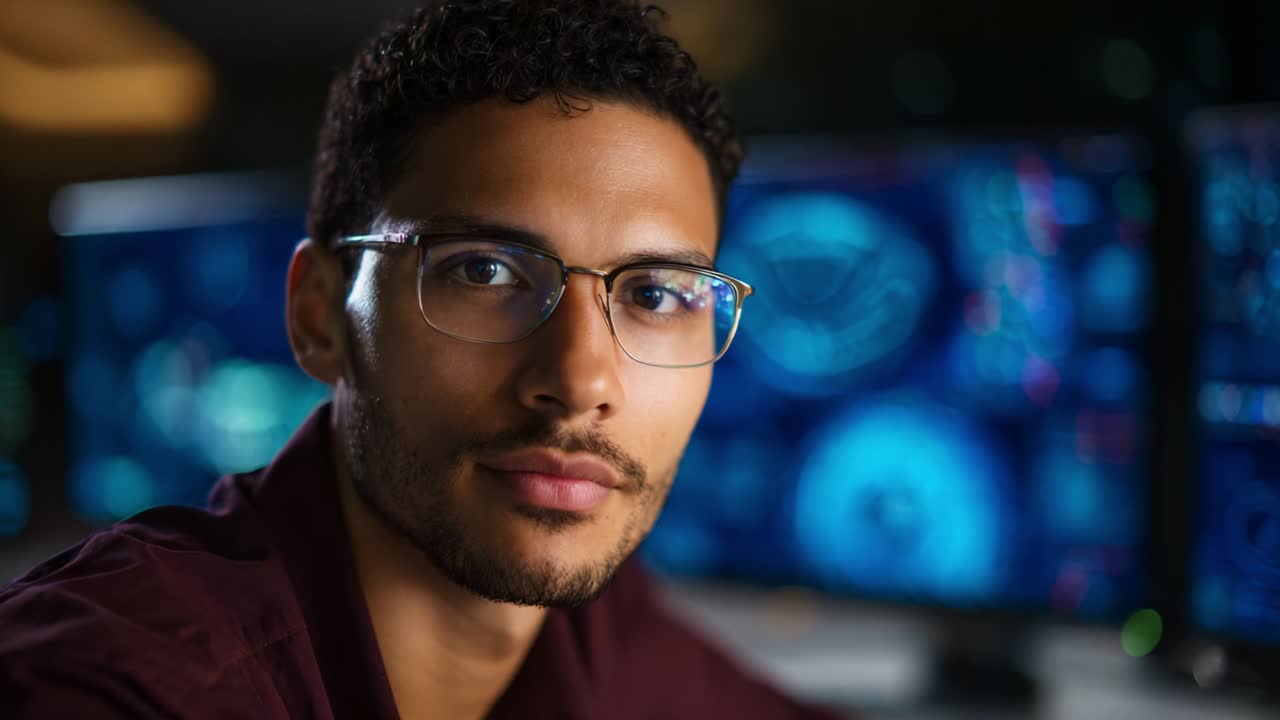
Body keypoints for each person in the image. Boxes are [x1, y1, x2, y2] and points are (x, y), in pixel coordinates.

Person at [0, 1, 845, 717]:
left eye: (657, 294)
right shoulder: (110, 687)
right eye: (483, 271)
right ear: (320, 314)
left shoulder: (598, 622)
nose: (581, 383)